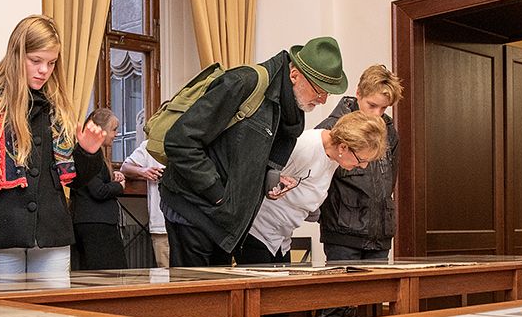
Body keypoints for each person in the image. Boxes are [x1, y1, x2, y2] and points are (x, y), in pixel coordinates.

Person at [159, 37, 349, 267]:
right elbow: (180, 141)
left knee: (219, 297)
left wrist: (270, 181)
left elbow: (252, 157)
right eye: (319, 91)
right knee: (196, 299)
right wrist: (218, 193)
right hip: (193, 209)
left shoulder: (291, 109)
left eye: (327, 93)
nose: (323, 100)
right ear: (295, 75)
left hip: (223, 220)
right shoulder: (243, 83)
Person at [0, 15, 107, 277]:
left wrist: (87, 151)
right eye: (36, 61)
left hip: (53, 240)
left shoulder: (57, 105)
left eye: (51, 63)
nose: (44, 70)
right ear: (17, 55)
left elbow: (75, 181)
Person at [234, 111, 388, 264]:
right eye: (361, 160)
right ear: (343, 147)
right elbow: (251, 177)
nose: (363, 166)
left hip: (281, 240)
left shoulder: (334, 156)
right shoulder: (304, 147)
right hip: (256, 234)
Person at [316, 64, 404, 262]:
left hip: (380, 235)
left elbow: (390, 180)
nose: (377, 114)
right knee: (346, 293)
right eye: (372, 105)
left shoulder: (389, 132)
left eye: (383, 108)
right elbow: (316, 181)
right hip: (343, 235)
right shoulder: (331, 129)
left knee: (381, 293)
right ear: (358, 93)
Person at [71, 108, 128, 270]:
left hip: (94, 222)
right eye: (114, 130)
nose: (116, 134)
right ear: (101, 130)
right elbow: (98, 191)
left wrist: (112, 176)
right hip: (95, 224)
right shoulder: (88, 155)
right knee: (104, 275)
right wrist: (119, 186)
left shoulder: (98, 155)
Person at [121, 138, 169, 268]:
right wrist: (143, 171)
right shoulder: (150, 145)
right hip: (161, 223)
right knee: (164, 275)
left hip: (190, 224)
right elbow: (125, 167)